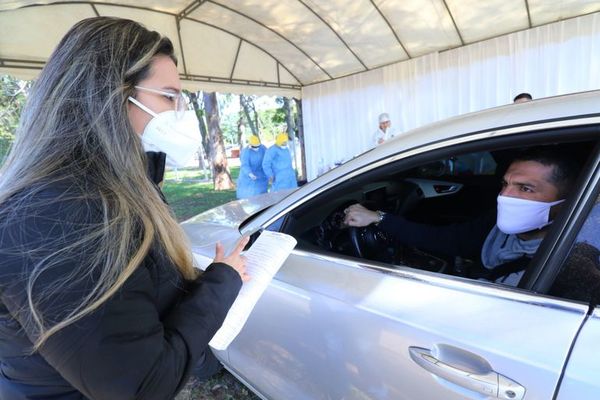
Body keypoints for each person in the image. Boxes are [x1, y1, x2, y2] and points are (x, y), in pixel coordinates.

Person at [0, 17, 250, 400]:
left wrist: (204, 283)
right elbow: (140, 385)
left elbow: (134, 292)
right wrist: (220, 286)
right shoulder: (57, 214)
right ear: (112, 95)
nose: (180, 112)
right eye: (168, 96)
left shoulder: (119, 189)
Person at [344, 147, 580, 286]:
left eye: (525, 188)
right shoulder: (496, 226)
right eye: (505, 184)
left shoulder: (573, 257)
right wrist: (380, 218)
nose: (505, 196)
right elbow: (448, 239)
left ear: (565, 203)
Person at [236, 135, 268, 199]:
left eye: (258, 146)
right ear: (250, 145)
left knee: (262, 196)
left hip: (261, 175)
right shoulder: (246, 152)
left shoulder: (263, 148)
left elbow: (268, 158)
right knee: (250, 197)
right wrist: (250, 174)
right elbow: (245, 165)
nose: (257, 148)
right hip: (248, 176)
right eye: (254, 147)